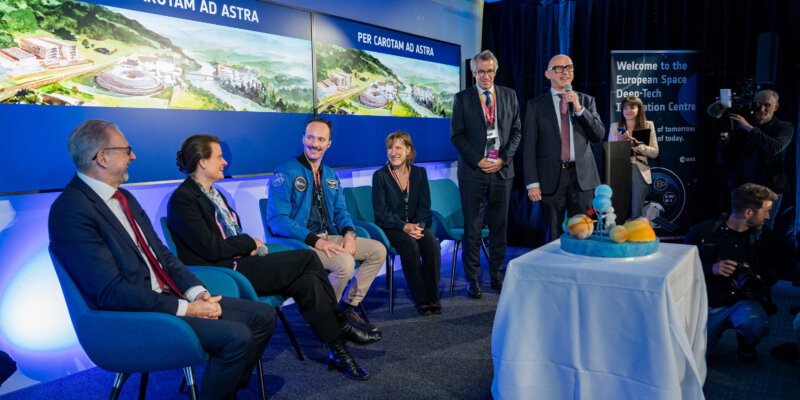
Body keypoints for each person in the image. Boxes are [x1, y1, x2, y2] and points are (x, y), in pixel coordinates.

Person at [48, 119, 275, 399]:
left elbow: (163, 255)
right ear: (103, 157)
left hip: (168, 299)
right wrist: (188, 309)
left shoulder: (124, 198)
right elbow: (112, 292)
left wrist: (198, 293)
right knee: (236, 337)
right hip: (134, 317)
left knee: (263, 316)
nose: (133, 156)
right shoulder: (71, 211)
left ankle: (222, 387)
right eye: (126, 150)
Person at [167, 134, 380, 380]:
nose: (225, 162)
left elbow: (230, 236)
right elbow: (212, 249)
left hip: (240, 262)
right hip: (224, 274)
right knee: (307, 258)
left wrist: (247, 244)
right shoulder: (183, 199)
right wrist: (249, 242)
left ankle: (339, 352)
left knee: (307, 282)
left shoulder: (214, 193)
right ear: (203, 162)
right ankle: (340, 322)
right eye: (219, 157)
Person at [267, 117, 386, 331]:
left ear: (329, 143)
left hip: (328, 237)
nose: (314, 144)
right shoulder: (285, 172)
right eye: (310, 137)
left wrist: (349, 233)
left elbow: (341, 212)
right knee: (345, 263)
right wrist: (316, 241)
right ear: (303, 138)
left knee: (378, 250)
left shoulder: (330, 174)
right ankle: (327, 320)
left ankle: (346, 308)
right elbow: (278, 220)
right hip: (300, 243)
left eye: (321, 139)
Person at [450, 50, 521, 298]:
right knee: (473, 228)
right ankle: (473, 279)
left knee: (500, 227)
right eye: (481, 71)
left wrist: (502, 160)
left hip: (502, 171)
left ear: (495, 71)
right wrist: (478, 160)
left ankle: (498, 276)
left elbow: (516, 132)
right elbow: (457, 136)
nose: (485, 76)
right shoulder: (462, 99)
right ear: (473, 73)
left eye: (489, 71)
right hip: (474, 172)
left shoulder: (510, 95)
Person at [685, 183, 780, 363]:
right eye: (766, 211)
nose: (768, 217)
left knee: (755, 324)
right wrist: (711, 269)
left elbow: (775, 271)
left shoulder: (764, 236)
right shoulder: (702, 232)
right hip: (710, 303)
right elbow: (681, 269)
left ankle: (746, 343)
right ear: (748, 212)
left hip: (745, 301)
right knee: (695, 360)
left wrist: (758, 279)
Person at [523, 54, 605, 242]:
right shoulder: (536, 106)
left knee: (584, 232)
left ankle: (582, 262)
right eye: (558, 68)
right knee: (553, 235)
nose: (565, 72)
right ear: (548, 74)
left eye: (569, 67)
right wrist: (532, 183)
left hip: (583, 178)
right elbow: (529, 147)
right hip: (551, 178)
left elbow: (599, 135)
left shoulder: (586, 101)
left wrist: (579, 108)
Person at [372, 131, 441, 315]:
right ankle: (421, 298)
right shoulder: (380, 175)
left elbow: (425, 206)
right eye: (390, 148)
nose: (393, 152)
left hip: (417, 225)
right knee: (410, 246)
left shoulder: (420, 173)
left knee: (432, 244)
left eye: (398, 148)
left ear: (408, 150)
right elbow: (380, 212)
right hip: (392, 227)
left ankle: (433, 297)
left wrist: (419, 227)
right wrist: (403, 226)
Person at [718, 89, 794, 229]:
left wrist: (749, 128)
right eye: (759, 105)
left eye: (767, 105)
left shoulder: (784, 127)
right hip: (741, 187)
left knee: (762, 230)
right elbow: (725, 159)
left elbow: (773, 147)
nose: (762, 109)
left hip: (768, 189)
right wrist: (724, 137)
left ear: (776, 106)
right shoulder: (741, 126)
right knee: (738, 229)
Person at [608, 95, 659, 219]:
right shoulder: (615, 126)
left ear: (639, 109)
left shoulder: (648, 125)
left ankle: (636, 229)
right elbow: (609, 153)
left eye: (632, 107)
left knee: (637, 212)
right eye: (625, 108)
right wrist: (620, 143)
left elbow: (654, 152)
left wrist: (636, 145)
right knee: (618, 211)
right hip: (619, 170)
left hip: (638, 169)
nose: (628, 111)